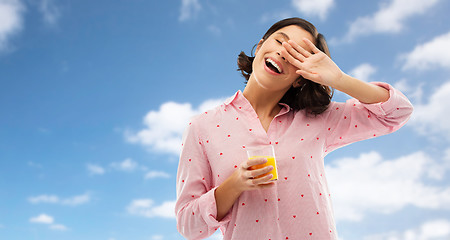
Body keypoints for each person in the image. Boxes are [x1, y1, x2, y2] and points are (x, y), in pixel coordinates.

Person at [174, 17, 413, 240]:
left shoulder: (319, 119)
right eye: (280, 41)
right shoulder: (202, 127)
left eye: (297, 54)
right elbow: (188, 225)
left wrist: (339, 79)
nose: (283, 53)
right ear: (259, 46)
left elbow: (398, 111)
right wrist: (235, 183)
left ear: (301, 77)